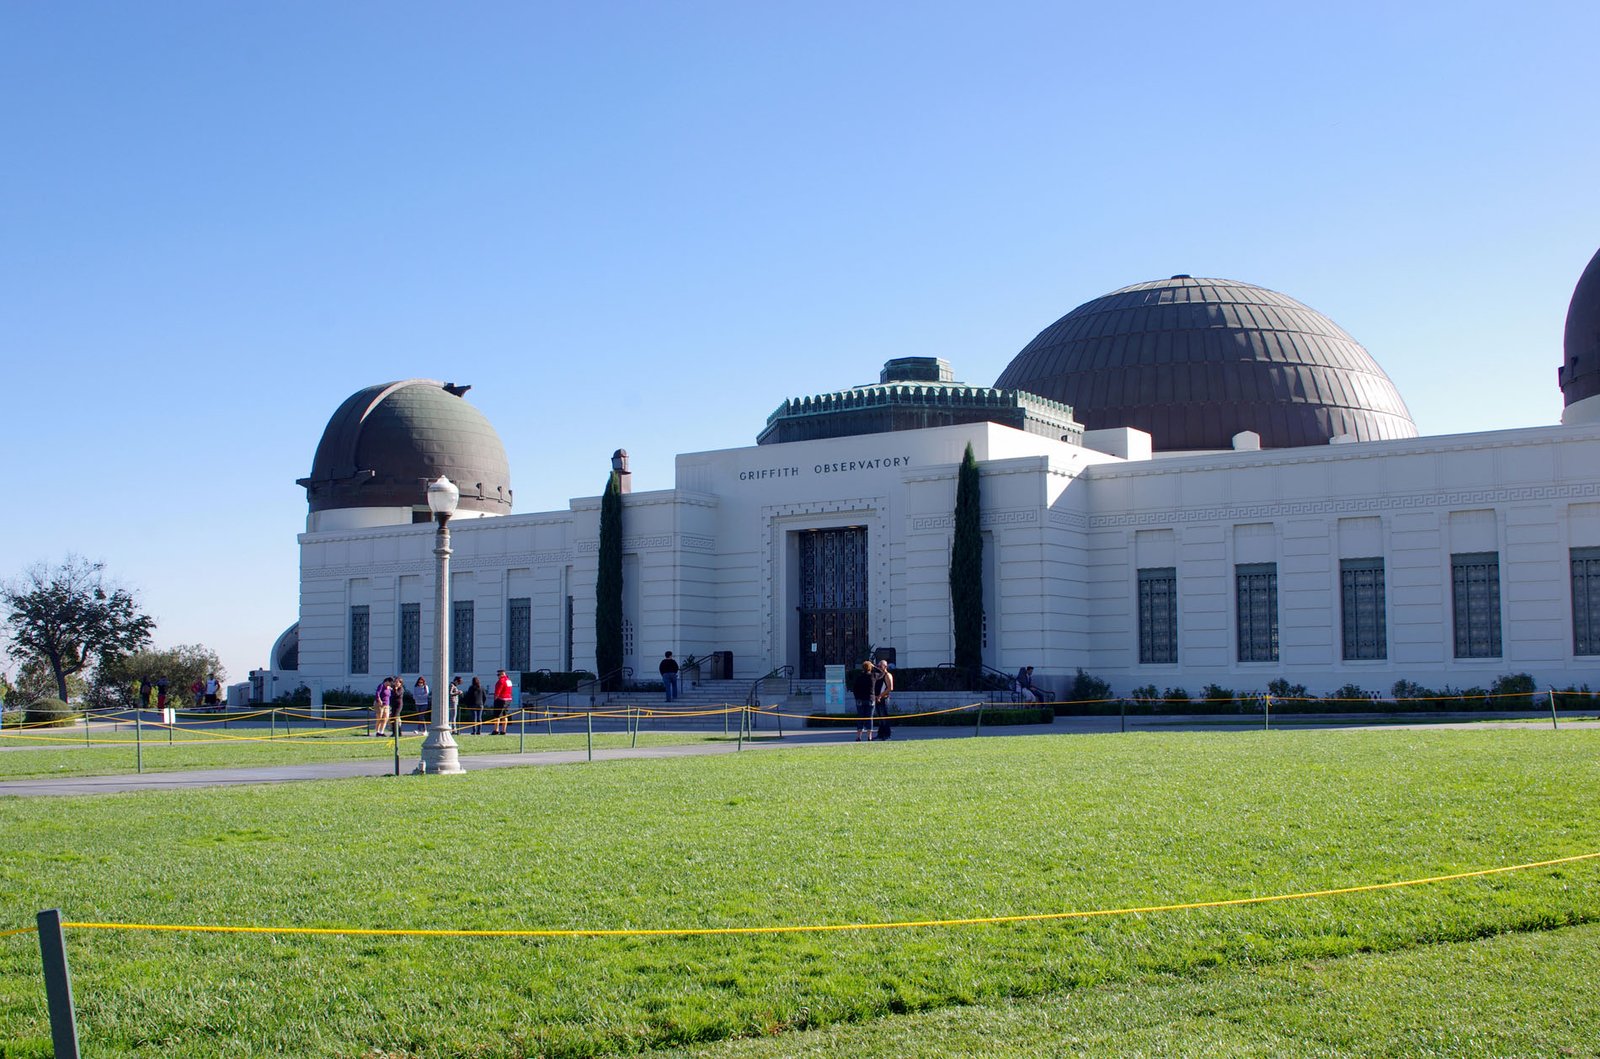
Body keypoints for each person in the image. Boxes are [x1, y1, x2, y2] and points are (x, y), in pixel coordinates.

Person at [851, 660, 876, 741]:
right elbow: (882, 672)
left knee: (860, 717)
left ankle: (859, 736)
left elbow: (854, 689)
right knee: (869, 718)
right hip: (870, 699)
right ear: (870, 668)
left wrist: (857, 698)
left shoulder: (859, 677)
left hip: (860, 699)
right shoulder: (873, 676)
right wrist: (873, 666)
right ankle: (869, 736)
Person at [873, 660, 894, 741]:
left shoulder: (887, 675)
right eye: (878, 666)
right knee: (880, 718)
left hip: (883, 699)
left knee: (884, 717)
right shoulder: (879, 675)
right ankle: (880, 734)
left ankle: (887, 735)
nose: (879, 667)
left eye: (880, 666)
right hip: (877, 699)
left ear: (885, 666)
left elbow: (890, 688)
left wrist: (880, 696)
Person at [491, 669, 514, 735]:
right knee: (505, 715)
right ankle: (503, 730)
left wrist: (495, 698)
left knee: (497, 715)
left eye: (498, 674)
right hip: (508, 699)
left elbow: (498, 691)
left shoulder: (501, 681)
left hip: (501, 699)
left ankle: (496, 730)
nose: (498, 676)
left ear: (502, 674)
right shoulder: (509, 681)